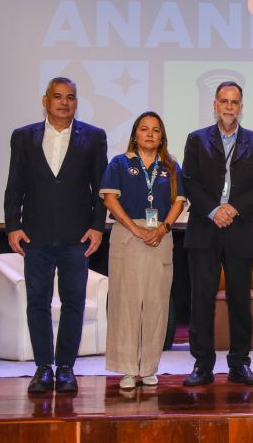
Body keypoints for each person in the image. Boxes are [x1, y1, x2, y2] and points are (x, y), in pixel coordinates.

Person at [4, 77, 108, 394]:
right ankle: (43, 368)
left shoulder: (93, 137)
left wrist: (97, 226)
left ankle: (65, 367)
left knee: (73, 302)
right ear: (45, 100)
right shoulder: (24, 137)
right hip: (34, 235)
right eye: (58, 97)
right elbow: (15, 185)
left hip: (77, 236)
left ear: (77, 102)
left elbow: (101, 188)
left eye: (71, 97)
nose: (64, 102)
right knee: (37, 302)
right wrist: (12, 225)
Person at [181, 81, 253, 386]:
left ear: (241, 107)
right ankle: (202, 365)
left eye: (235, 102)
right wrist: (213, 210)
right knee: (201, 300)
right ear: (215, 105)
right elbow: (190, 181)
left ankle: (239, 364)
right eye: (224, 101)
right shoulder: (196, 140)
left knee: (239, 300)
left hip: (241, 229)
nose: (229, 107)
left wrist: (232, 209)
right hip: (204, 229)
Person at [100, 111, 185, 389]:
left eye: (156, 130)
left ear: (162, 136)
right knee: (125, 303)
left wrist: (162, 229)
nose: (150, 134)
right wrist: (135, 229)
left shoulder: (171, 167)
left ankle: (149, 367)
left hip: (160, 237)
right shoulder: (120, 163)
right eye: (144, 129)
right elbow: (110, 200)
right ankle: (126, 368)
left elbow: (178, 203)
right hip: (127, 235)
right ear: (135, 133)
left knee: (156, 304)